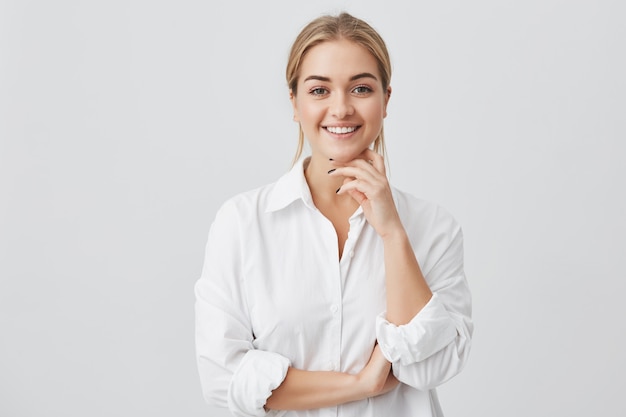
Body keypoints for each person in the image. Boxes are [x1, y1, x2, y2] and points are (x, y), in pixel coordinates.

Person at [195, 12, 473, 417]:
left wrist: (393, 233)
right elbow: (223, 381)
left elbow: (432, 365)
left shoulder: (433, 229)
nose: (341, 109)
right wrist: (361, 384)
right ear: (295, 103)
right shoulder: (241, 224)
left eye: (361, 88)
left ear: (386, 100)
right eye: (319, 90)